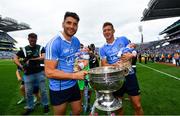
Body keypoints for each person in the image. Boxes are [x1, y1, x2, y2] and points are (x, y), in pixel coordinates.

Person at [45, 11, 88, 115]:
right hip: (59, 88)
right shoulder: (54, 43)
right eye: (69, 23)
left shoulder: (76, 41)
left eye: (75, 24)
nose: (72, 26)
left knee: (77, 111)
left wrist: (82, 63)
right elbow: (49, 72)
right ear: (63, 24)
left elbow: (75, 61)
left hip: (73, 84)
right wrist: (74, 76)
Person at [99, 22, 144, 115]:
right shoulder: (102, 49)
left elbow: (133, 50)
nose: (107, 32)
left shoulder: (123, 39)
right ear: (103, 33)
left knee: (137, 105)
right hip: (116, 79)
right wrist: (114, 65)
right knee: (118, 107)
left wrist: (131, 55)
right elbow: (103, 64)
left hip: (129, 75)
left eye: (109, 30)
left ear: (113, 31)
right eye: (104, 31)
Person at [14, 33, 49, 115]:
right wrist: (20, 65)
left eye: (34, 39)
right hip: (28, 75)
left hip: (39, 73)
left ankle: (45, 105)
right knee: (29, 92)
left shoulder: (40, 48)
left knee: (43, 91)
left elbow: (43, 57)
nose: (32, 41)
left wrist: (32, 59)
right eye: (31, 39)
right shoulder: (24, 49)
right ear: (28, 39)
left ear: (36, 39)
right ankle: (30, 107)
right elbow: (15, 57)